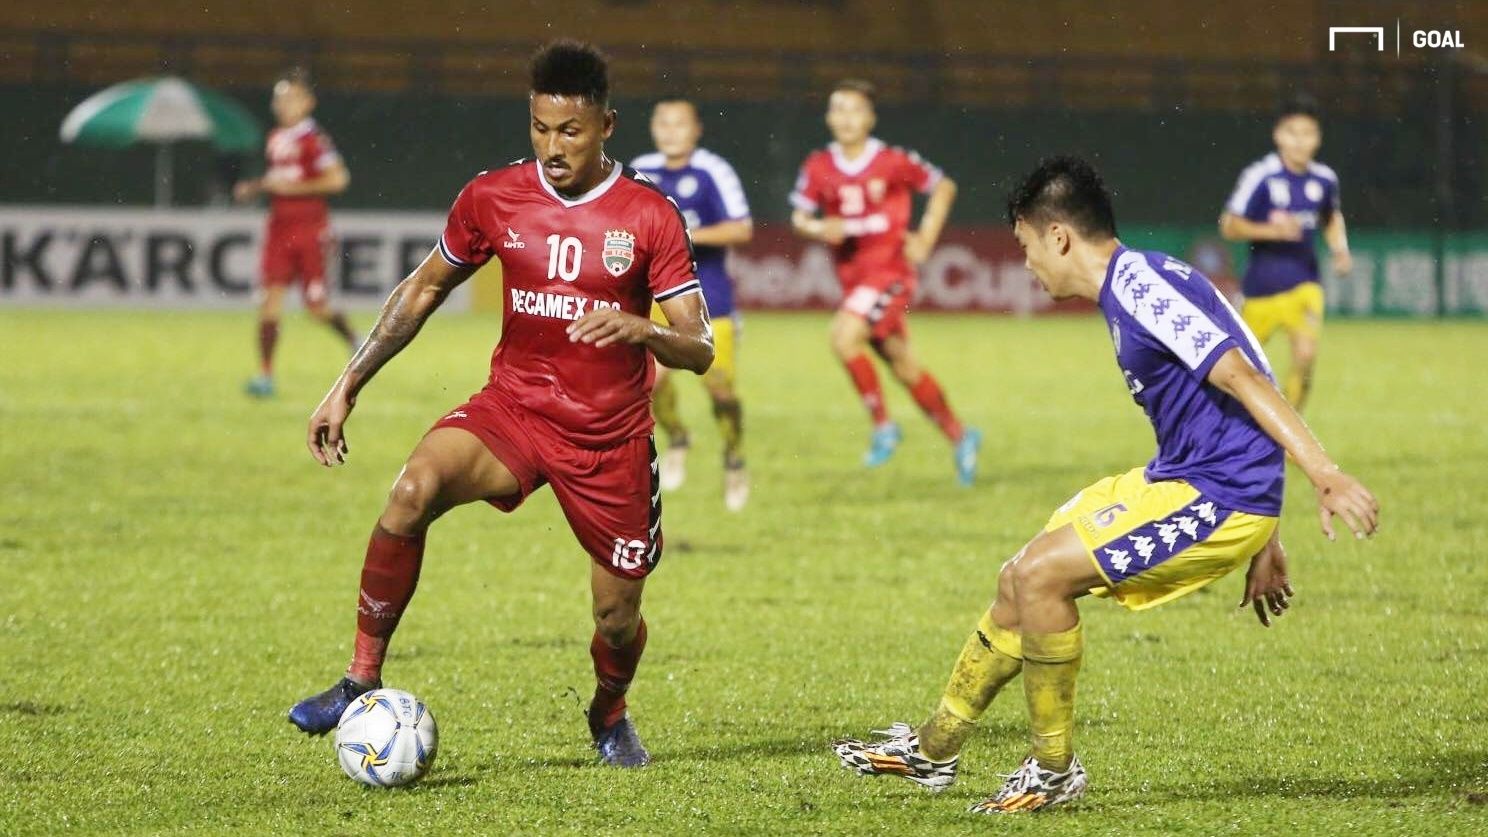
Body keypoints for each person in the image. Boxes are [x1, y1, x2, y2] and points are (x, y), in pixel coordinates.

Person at [832, 156, 1378, 813]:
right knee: (1018, 579)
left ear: (1059, 236)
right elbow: (1247, 361)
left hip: (1218, 494)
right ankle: (934, 748)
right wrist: (1271, 532)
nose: (1026, 263)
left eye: (1026, 246)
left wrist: (1321, 474)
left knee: (1041, 578)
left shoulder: (1142, 285)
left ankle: (1052, 769)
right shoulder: (1140, 281)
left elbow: (1243, 374)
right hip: (1191, 480)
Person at [286, 41, 713, 769]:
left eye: (570, 131)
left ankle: (609, 713)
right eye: (540, 128)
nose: (553, 147)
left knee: (616, 618)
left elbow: (698, 346)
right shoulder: (493, 196)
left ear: (606, 126)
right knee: (411, 492)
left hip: (607, 440)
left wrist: (642, 329)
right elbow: (423, 289)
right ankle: (360, 677)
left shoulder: (649, 215)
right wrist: (346, 383)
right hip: (514, 411)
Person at [789, 79, 980, 484]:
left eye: (855, 110)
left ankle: (883, 427)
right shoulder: (818, 166)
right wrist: (819, 227)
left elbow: (943, 185)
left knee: (843, 338)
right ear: (828, 117)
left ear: (870, 118)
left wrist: (926, 236)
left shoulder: (892, 161)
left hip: (890, 273)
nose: (846, 118)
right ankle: (961, 436)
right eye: (838, 109)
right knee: (903, 365)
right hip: (853, 279)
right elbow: (800, 218)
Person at [630, 97, 753, 510]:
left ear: (696, 129)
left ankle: (734, 457)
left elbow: (741, 229)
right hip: (658, 298)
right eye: (662, 123)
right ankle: (679, 437)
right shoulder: (641, 169)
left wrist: (681, 235)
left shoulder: (713, 170)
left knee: (720, 389)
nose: (670, 131)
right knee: (652, 382)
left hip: (711, 300)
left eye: (678, 123)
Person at [1219, 95, 1352, 410]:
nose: (1300, 141)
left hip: (1304, 283)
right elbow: (1229, 225)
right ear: (1278, 135)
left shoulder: (1324, 179)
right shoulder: (1260, 176)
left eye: (1308, 133)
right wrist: (1272, 231)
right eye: (1292, 133)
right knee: (1236, 368)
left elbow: (1330, 216)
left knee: (1305, 357)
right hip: (1259, 290)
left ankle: (1289, 429)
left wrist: (1340, 249)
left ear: (1318, 138)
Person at [235, 68, 358, 398]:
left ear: (308, 103)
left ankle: (353, 339)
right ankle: (265, 375)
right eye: (279, 99)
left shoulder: (313, 139)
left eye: (290, 98)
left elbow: (338, 179)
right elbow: (280, 181)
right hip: (279, 230)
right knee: (269, 302)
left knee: (316, 309)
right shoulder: (276, 137)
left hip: (310, 230)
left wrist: (292, 188)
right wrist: (256, 187)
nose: (282, 104)